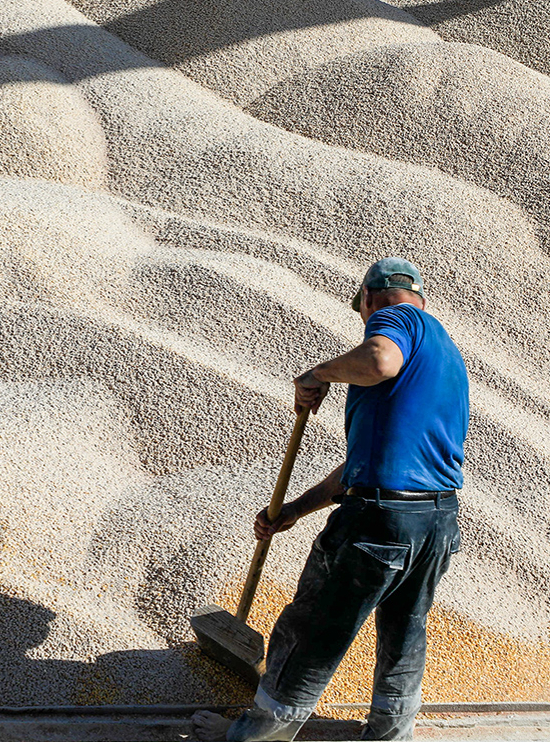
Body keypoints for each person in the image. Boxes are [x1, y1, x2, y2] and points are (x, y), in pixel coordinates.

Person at [193, 257, 469, 741]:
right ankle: (390, 735)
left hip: (379, 523)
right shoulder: (448, 359)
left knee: (313, 632)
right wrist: (295, 510)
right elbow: (367, 466)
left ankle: (256, 737)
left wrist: (319, 373)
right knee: (404, 632)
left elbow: (380, 359)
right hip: (437, 521)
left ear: (368, 299)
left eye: (364, 313)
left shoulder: (397, 318)